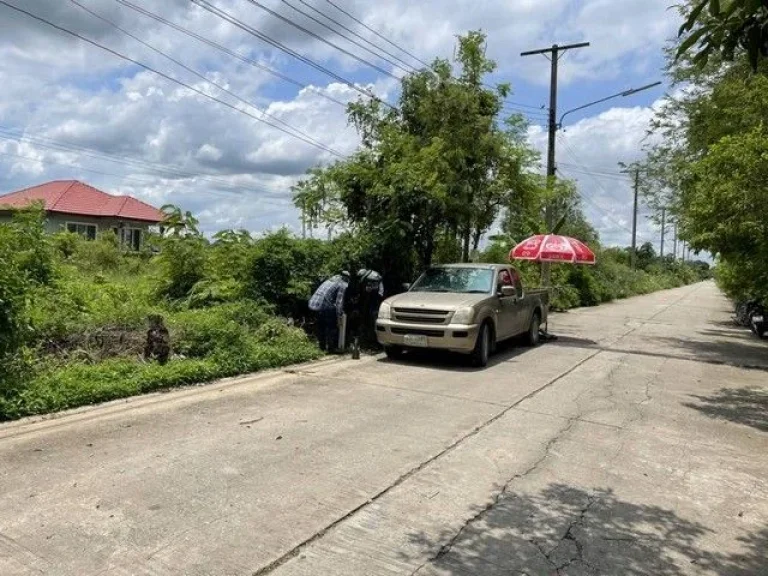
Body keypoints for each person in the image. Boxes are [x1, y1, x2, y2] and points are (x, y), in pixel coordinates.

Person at [308, 271, 349, 352]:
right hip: (325, 305)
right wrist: (339, 316)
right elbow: (339, 302)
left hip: (314, 304)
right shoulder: (342, 284)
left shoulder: (329, 280)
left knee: (321, 326)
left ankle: (321, 347)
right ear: (347, 279)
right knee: (332, 326)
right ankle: (331, 348)